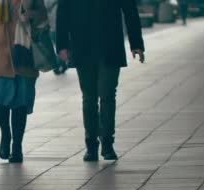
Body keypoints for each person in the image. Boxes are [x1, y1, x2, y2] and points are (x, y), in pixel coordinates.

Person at [56, 0, 145, 162]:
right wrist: (62, 44)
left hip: (109, 46)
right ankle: (91, 144)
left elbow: (130, 9)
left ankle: (107, 143)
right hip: (82, 46)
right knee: (89, 98)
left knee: (107, 95)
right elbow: (63, 11)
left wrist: (136, 43)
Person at [0, 0, 48, 163]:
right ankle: (6, 134)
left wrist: (28, 16)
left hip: (24, 55)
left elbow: (43, 18)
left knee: (20, 105)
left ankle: (17, 147)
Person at [45, 0, 68, 74]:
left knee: (59, 47)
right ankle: (60, 64)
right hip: (53, 25)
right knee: (58, 47)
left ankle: (60, 64)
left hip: (56, 25)